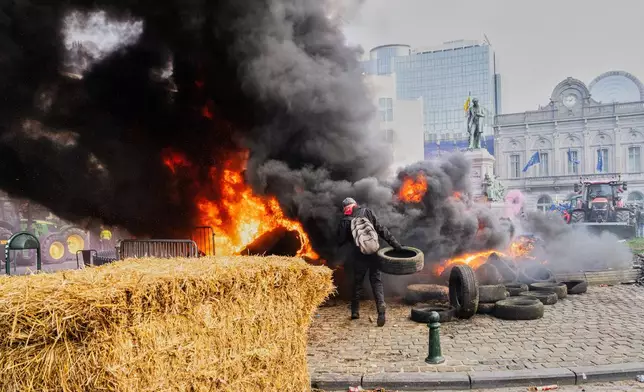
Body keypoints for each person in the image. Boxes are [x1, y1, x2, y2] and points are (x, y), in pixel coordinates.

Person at [337, 197, 403, 327]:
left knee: (357, 283)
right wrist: (397, 246)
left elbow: (340, 241)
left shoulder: (345, 220)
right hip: (374, 253)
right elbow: (381, 229)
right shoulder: (367, 212)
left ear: (346, 208)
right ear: (355, 204)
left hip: (359, 256)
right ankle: (381, 307)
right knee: (376, 281)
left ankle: (355, 311)